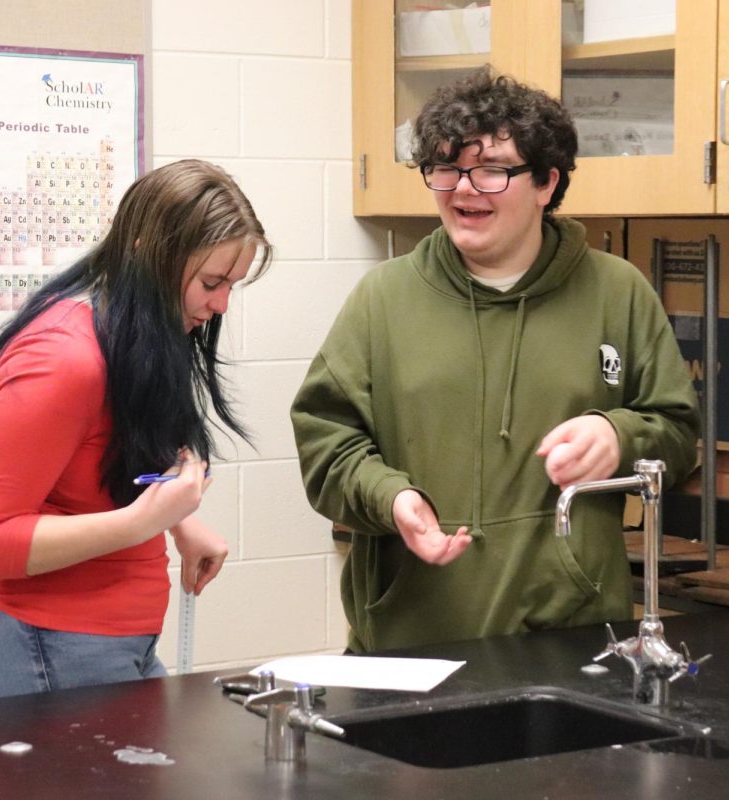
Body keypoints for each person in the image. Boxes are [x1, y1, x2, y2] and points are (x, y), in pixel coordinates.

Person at [290, 68, 700, 653]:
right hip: (411, 643)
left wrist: (619, 435)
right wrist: (391, 497)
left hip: (574, 641)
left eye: (491, 171)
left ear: (545, 182)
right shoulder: (383, 300)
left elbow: (680, 434)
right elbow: (325, 447)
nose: (463, 189)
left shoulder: (618, 292)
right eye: (445, 168)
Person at [0, 159, 272, 702]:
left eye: (231, 285)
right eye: (211, 283)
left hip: (105, 645)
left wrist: (178, 526)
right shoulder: (63, 356)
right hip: (32, 644)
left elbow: (105, 472)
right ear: (145, 253)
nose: (220, 306)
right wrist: (142, 522)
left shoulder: (133, 340)